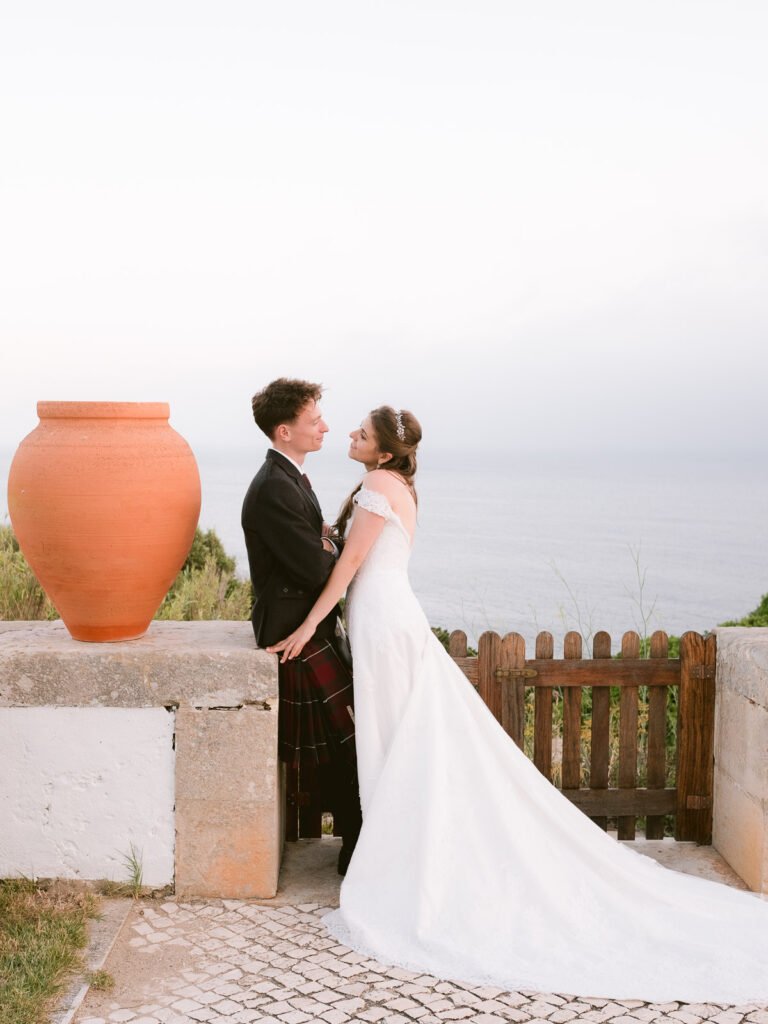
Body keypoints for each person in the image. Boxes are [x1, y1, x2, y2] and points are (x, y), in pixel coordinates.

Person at [268, 405, 768, 1004]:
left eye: (360, 434)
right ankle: (403, 843)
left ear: (381, 452)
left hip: (383, 619)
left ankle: (404, 857)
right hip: (387, 616)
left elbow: (349, 568)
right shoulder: (394, 482)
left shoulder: (377, 484)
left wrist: (306, 629)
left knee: (395, 735)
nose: (348, 435)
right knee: (403, 735)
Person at [242, 378, 361, 874]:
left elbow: (321, 546)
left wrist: (326, 543)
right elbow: (316, 567)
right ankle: (352, 845)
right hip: (291, 625)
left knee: (344, 736)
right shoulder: (273, 487)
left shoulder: (289, 477)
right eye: (315, 421)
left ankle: (355, 838)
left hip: (305, 621)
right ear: (285, 430)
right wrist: (331, 545)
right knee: (338, 741)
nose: (326, 427)